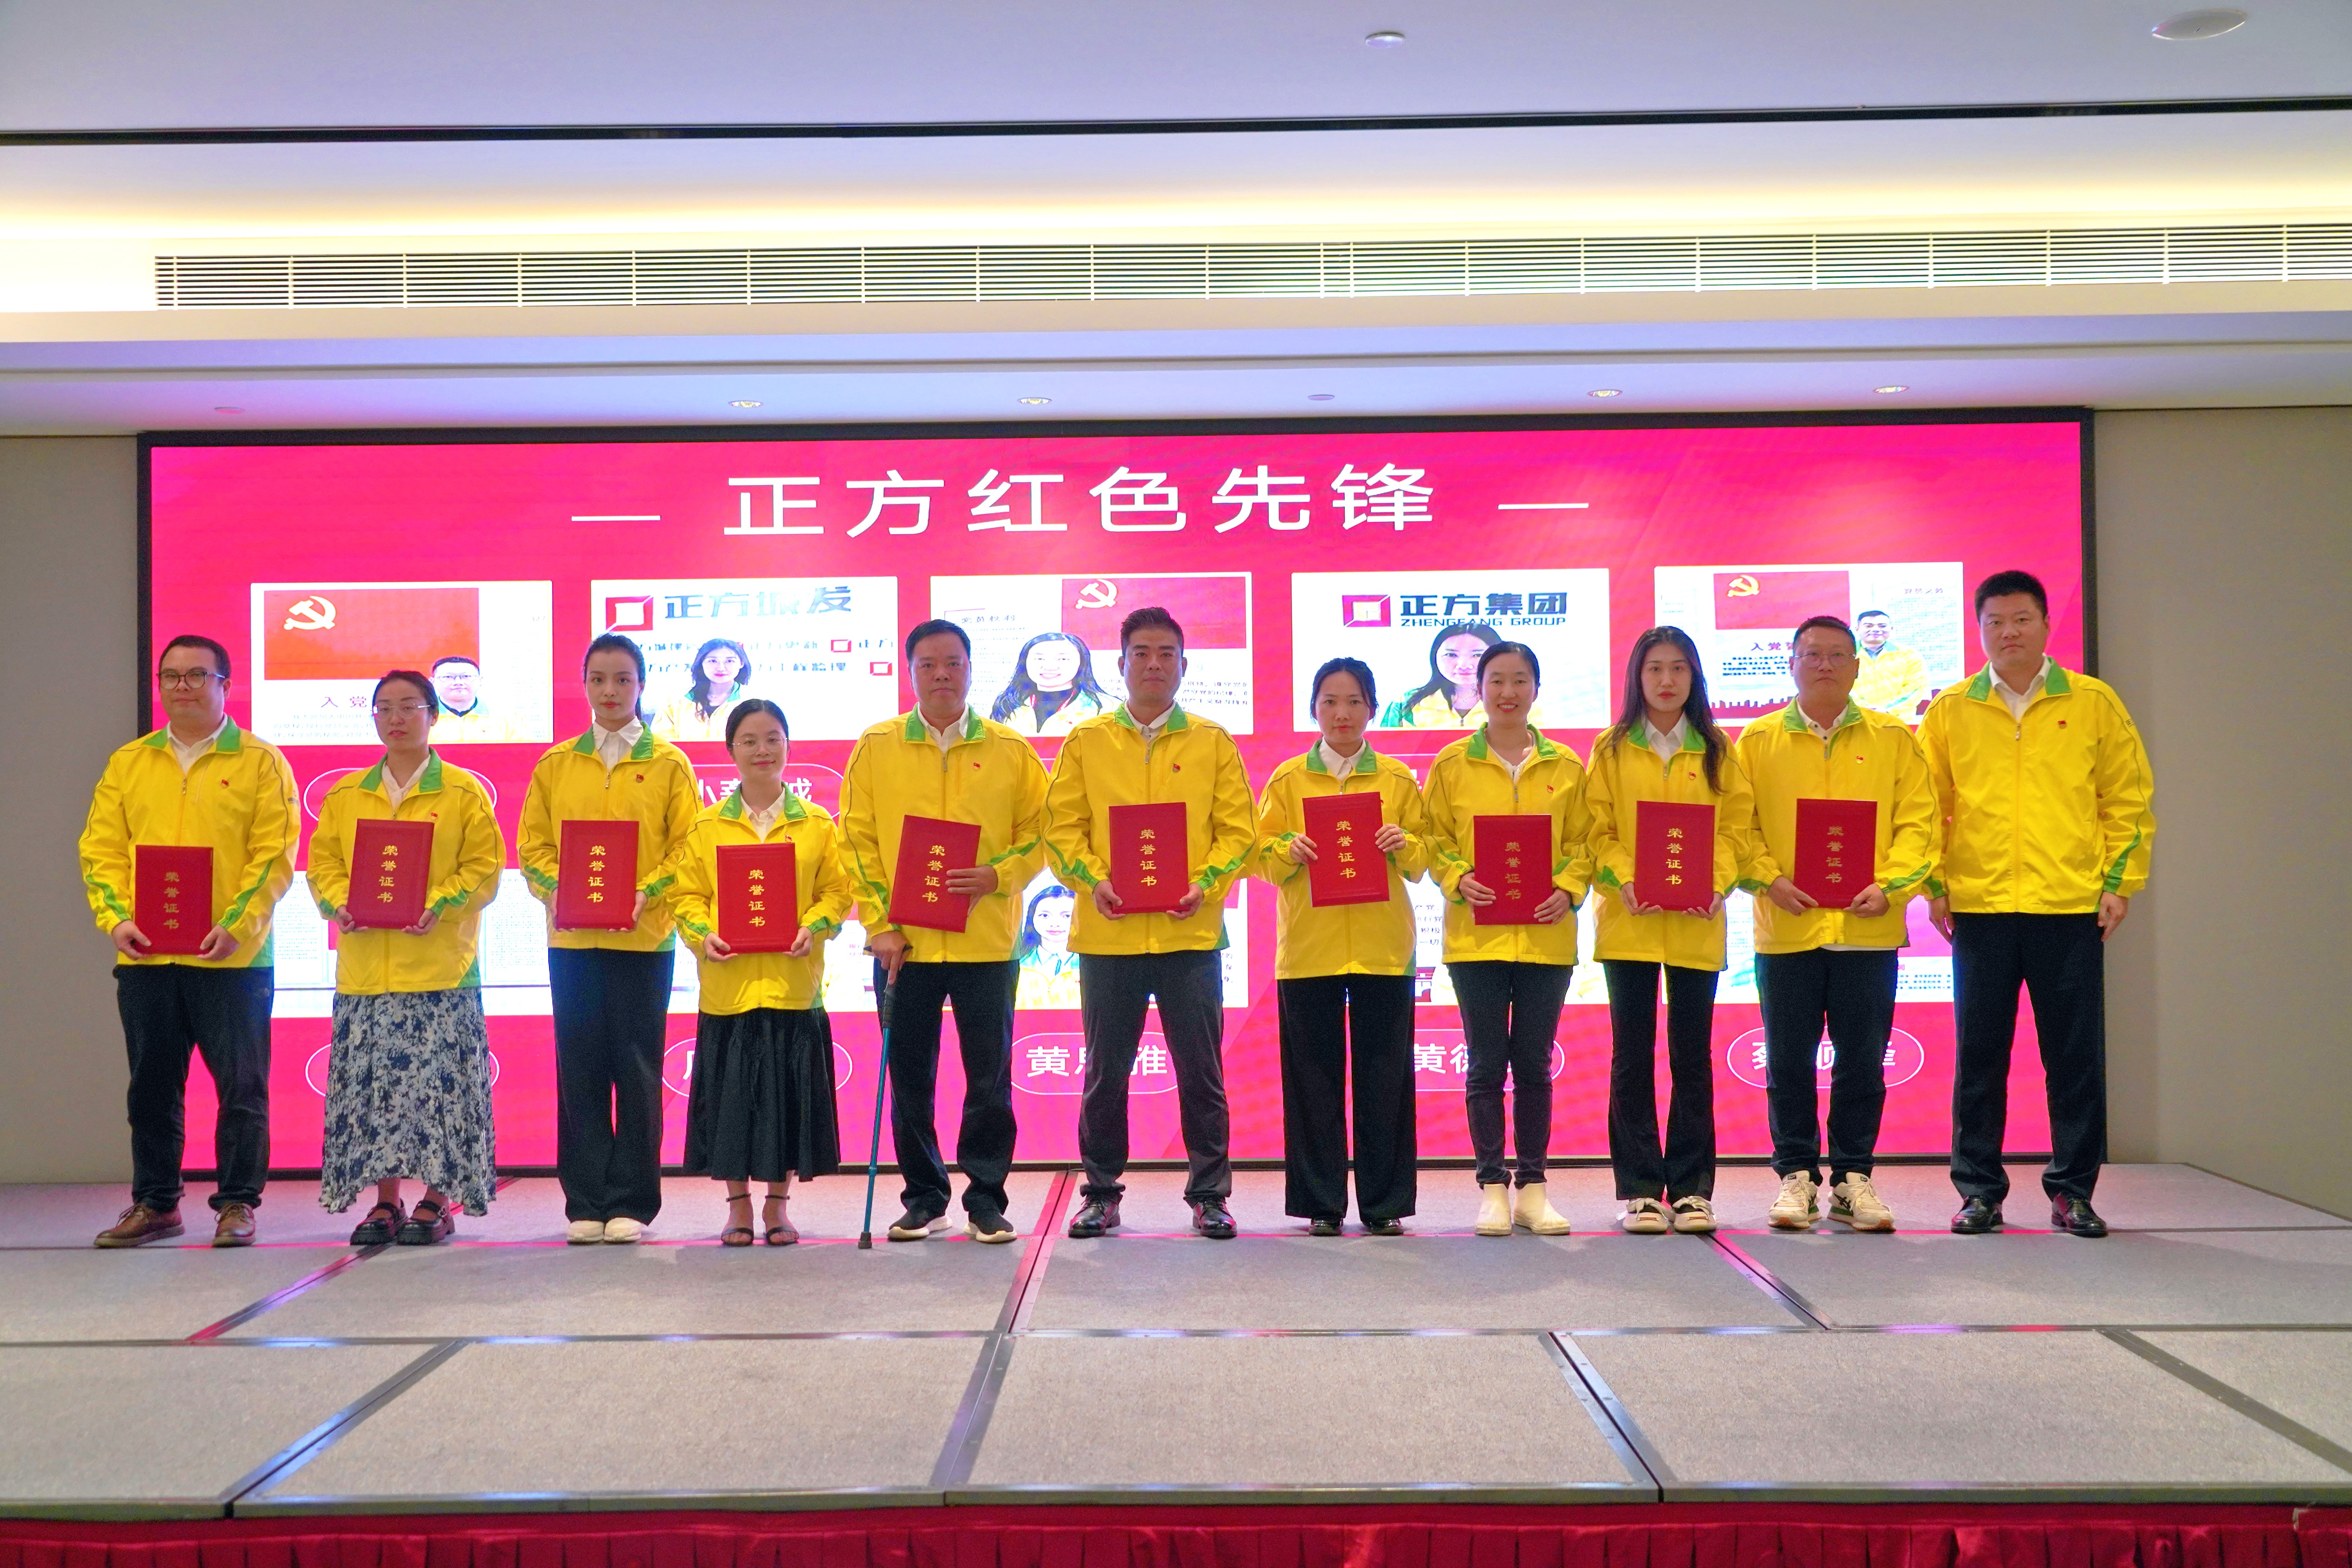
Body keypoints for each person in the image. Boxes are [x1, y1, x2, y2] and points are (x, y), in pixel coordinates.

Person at [1921, 570, 2155, 1239]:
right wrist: (1935, 886)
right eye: (1994, 622)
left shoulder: (2093, 703)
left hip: (2068, 906)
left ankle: (2073, 1192)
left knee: (2074, 1059)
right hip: (1982, 909)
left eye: (2021, 619)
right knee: (1980, 1059)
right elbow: (1926, 808)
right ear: (1979, 630)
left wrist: (2119, 884)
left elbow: (2128, 800)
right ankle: (1979, 1192)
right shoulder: (1952, 710)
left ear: (2047, 625)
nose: (2009, 633)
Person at [79, 634, 299, 1247]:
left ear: (226, 685)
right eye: (171, 676)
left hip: (233, 958)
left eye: (198, 675)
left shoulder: (260, 761)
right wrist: (116, 920)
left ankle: (237, 1204)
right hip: (146, 954)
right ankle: (155, 1204)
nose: (183, 687)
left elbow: (275, 853)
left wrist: (237, 926)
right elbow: (101, 848)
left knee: (242, 1088)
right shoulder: (130, 762)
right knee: (150, 1088)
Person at [1044, 606, 1257, 1240]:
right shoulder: (1086, 741)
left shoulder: (1212, 741)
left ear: (1184, 665)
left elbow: (1239, 835)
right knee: (1105, 1073)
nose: (1154, 664)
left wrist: (1204, 886)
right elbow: (1061, 831)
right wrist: (1094, 881)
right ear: (1121, 664)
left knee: (1202, 1072)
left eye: (1166, 654)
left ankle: (1210, 1195)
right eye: (1142, 653)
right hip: (1108, 935)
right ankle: (1100, 1193)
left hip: (1189, 934)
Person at [840, 619, 1050, 1244]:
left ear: (971, 669)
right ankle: (925, 1197)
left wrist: (998, 876)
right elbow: (856, 840)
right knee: (910, 1078)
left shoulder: (1010, 749)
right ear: (910, 672)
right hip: (904, 946)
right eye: (928, 665)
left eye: (953, 663)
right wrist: (880, 925)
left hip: (987, 942)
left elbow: (1043, 834)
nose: (941, 675)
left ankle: (986, 1198)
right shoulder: (877, 746)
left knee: (990, 1078)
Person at [1734, 615, 1938, 1233]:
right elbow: (1738, 830)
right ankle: (1796, 1174)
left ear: (1855, 667)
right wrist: (1769, 879)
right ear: (1792, 664)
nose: (1824, 665)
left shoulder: (1893, 738)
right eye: (1812, 654)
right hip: (1787, 928)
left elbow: (1921, 825)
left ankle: (1853, 1177)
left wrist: (1892, 885)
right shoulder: (1757, 740)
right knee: (1788, 1060)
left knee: (1863, 1060)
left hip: (1867, 930)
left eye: (1837, 655)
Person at [310, 671, 505, 1245]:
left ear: (433, 716)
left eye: (409, 707)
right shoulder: (347, 794)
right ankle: (385, 1202)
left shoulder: (462, 792)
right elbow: (323, 866)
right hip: (368, 974)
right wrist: (339, 902)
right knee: (376, 1096)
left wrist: (439, 903)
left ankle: (438, 1202)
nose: (395, 718)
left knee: (443, 1095)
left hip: (441, 971)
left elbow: (484, 870)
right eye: (384, 708)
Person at [519, 633, 701, 1244]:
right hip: (572, 942)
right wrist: (557, 893)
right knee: (580, 1070)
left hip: (643, 940)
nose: (611, 691)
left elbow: (688, 847)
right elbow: (533, 847)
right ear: (584, 685)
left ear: (641, 685)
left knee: (638, 1070)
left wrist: (646, 891)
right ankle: (585, 1201)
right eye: (599, 679)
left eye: (623, 679)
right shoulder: (556, 764)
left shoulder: (669, 764)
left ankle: (632, 1202)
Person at [651, 699, 851, 1245]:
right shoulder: (707, 825)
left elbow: (838, 892)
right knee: (734, 1107)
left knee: (787, 1104)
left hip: (793, 986)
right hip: (730, 988)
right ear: (731, 751)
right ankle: (738, 1206)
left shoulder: (816, 823)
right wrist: (703, 934)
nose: (763, 750)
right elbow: (685, 895)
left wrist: (814, 924)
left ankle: (777, 1208)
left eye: (773, 739)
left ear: (788, 745)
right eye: (750, 741)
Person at [1253, 657, 1431, 1235]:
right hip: (1310, 949)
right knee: (1312, 1081)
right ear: (1314, 709)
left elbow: (1424, 860)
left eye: (1354, 701)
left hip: (1383, 948)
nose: (1342, 713)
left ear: (1372, 709)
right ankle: (1321, 1205)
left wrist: (1404, 843)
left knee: (1386, 1081)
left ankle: (1384, 1205)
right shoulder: (1288, 780)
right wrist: (1287, 850)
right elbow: (1258, 857)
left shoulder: (1398, 779)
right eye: (1330, 701)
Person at [1584, 628, 1751, 1236]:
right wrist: (1625, 878)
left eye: (1679, 668)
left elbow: (1737, 829)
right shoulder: (1610, 749)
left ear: (1694, 677)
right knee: (1631, 1056)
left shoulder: (1717, 749)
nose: (1666, 680)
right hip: (1629, 919)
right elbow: (1596, 830)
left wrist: (1717, 882)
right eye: (1655, 668)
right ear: (1637, 676)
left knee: (1692, 1056)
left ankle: (1690, 1190)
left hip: (1695, 921)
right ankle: (1638, 1190)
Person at [1421, 641, 1592, 1237]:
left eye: (1520, 680)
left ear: (1536, 689)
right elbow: (1431, 838)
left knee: (1536, 1066)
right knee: (1486, 1065)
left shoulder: (1566, 766)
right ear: (1480, 687)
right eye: (1496, 680)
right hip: (1477, 940)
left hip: (1547, 938)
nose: (1508, 692)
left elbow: (1587, 842)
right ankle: (1493, 1188)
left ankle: (1535, 1188)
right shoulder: (1452, 764)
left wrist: (1569, 888)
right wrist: (1457, 877)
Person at [991, 630, 1113, 737]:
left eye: (1063, 659)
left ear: (1082, 663)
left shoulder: (1106, 707)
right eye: (1039, 659)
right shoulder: (1005, 704)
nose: (1049, 667)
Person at [1380, 622, 1499, 729]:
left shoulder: (1509, 702)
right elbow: (1385, 745)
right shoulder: (1406, 704)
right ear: (1435, 657)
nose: (1464, 665)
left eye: (1477, 655)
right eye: (1451, 655)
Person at [656, 637, 755, 744]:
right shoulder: (675, 703)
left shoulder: (753, 702)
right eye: (713, 661)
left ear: (741, 664)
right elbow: (661, 744)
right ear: (701, 663)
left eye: (730, 661)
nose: (721, 668)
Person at [426, 656, 523, 744]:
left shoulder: (508, 718)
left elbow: (521, 753)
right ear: (432, 682)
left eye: (467, 676)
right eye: (448, 677)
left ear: (480, 680)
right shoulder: (423, 716)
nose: (458, 682)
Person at [1013, 883, 1081, 1008]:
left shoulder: (1089, 964)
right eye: (1045, 916)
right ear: (1032, 918)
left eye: (1067, 916)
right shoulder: (1018, 962)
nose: (1055, 924)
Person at [1852, 612, 1930, 718]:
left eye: (1882, 626)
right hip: (1858, 717)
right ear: (1857, 629)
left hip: (1899, 719)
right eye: (1869, 626)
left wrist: (1888, 710)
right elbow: (1840, 687)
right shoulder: (1846, 654)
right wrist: (1863, 708)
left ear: (1891, 629)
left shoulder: (1908, 655)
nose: (1876, 629)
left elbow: (1917, 687)